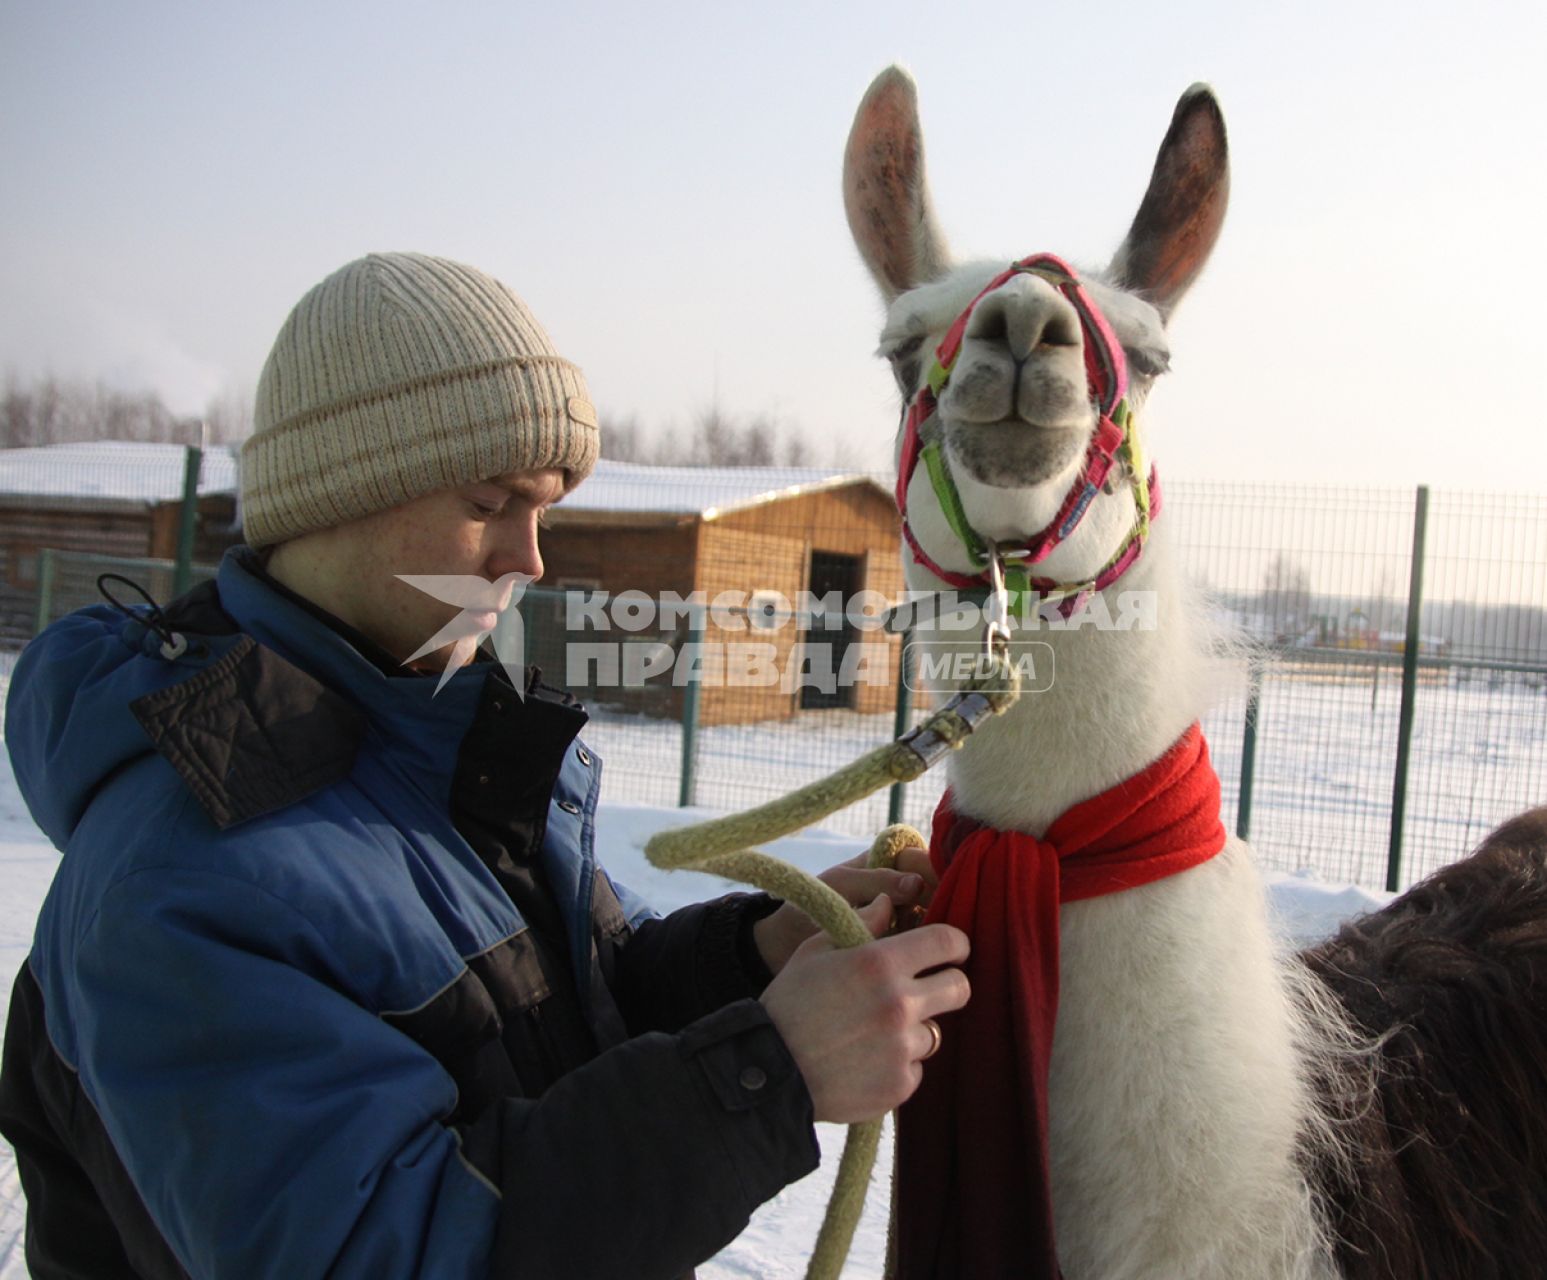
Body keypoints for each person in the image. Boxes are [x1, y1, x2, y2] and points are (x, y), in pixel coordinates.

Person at [0, 252, 971, 1279]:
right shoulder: (180, 877)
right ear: (338, 490)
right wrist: (767, 1072)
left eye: (544, 505)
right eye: (489, 500)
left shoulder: (434, 742)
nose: (531, 555)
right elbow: (393, 1250)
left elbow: (566, 1015)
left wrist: (754, 957)